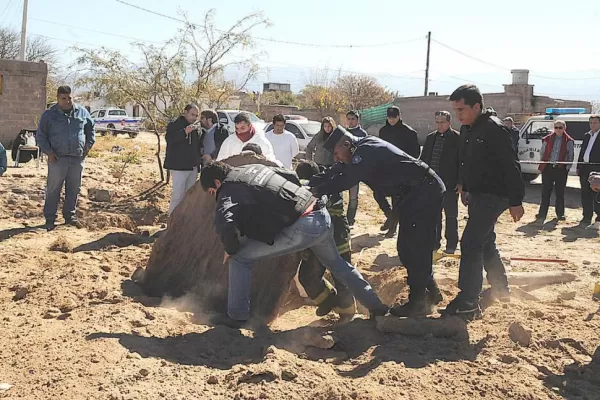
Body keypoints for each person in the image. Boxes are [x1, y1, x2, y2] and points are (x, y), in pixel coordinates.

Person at [200, 161, 388, 328]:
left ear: (217, 182)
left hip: (303, 227)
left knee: (240, 258)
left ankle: (237, 317)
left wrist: (230, 249)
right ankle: (377, 307)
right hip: (321, 214)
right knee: (338, 265)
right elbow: (290, 175)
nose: (215, 194)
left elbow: (225, 221)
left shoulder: (228, 188)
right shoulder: (253, 168)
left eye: (212, 192)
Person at [311, 127, 446, 317]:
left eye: (336, 153)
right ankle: (431, 294)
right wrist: (312, 182)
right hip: (412, 193)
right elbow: (336, 170)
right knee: (409, 246)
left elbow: (345, 180)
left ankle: (418, 302)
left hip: (423, 191)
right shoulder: (357, 150)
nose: (336, 158)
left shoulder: (365, 153)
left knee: (413, 247)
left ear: (347, 144)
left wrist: (316, 192)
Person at [442, 84, 524, 319]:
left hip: (495, 195)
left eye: (462, 109)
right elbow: (467, 161)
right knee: (485, 242)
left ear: (477, 106)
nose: (458, 114)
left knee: (470, 243)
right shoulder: (468, 129)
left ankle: (468, 301)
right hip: (477, 194)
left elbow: (511, 165)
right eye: (455, 110)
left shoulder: (494, 129)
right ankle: (501, 289)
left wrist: (516, 200)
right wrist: (466, 188)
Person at [296, 160, 355, 320]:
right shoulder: (321, 184)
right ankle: (328, 300)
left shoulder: (327, 186)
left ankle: (347, 313)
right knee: (307, 276)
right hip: (315, 239)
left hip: (336, 236)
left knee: (341, 276)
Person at [36, 86, 95, 231]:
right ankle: (50, 219)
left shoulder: (82, 112)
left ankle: (70, 217)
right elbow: (41, 136)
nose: (68, 101)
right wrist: (49, 152)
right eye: (64, 98)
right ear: (58, 98)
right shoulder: (49, 115)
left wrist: (87, 146)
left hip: (77, 158)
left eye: (70, 98)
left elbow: (91, 129)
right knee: (53, 189)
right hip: (57, 159)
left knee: (74, 189)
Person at [375, 106, 420, 237]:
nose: (391, 120)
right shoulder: (383, 131)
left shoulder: (409, 132)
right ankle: (390, 217)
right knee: (378, 193)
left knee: (397, 199)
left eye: (394, 117)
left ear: (399, 116)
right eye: (389, 117)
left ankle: (393, 227)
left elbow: (415, 153)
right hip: (386, 169)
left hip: (402, 170)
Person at [420, 110, 461, 254]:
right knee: (434, 216)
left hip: (450, 185)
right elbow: (424, 160)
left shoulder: (457, 138)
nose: (439, 125)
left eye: (442, 122)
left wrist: (461, 182)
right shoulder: (431, 138)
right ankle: (434, 243)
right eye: (437, 122)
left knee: (451, 216)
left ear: (449, 122)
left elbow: (462, 162)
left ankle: (451, 245)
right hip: (432, 185)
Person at [164, 104, 202, 215]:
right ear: (185, 112)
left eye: (196, 115)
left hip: (193, 167)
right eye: (192, 114)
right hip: (178, 167)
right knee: (178, 196)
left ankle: (184, 222)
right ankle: (172, 221)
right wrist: (185, 132)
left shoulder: (196, 128)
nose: (194, 118)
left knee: (189, 195)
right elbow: (170, 140)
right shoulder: (174, 125)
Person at [535, 120, 574, 222]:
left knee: (560, 193)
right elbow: (542, 152)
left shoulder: (568, 140)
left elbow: (570, 155)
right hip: (548, 169)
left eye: (560, 127)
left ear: (564, 128)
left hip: (561, 169)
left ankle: (560, 214)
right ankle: (542, 214)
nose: (558, 130)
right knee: (545, 192)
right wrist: (543, 163)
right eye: (556, 127)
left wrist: (567, 168)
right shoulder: (547, 139)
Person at [577, 115, 600, 230]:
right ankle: (586, 217)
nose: (592, 125)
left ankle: (598, 218)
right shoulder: (587, 135)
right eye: (591, 122)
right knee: (585, 193)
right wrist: (578, 166)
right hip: (584, 168)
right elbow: (582, 152)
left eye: (595, 122)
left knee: (596, 194)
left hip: (597, 169)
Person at [344, 110, 367, 226]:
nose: (350, 121)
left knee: (353, 197)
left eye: (353, 119)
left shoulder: (362, 134)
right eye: (348, 118)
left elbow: (365, 152)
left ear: (357, 120)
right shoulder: (342, 132)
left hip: (355, 168)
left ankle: (350, 220)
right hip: (342, 167)